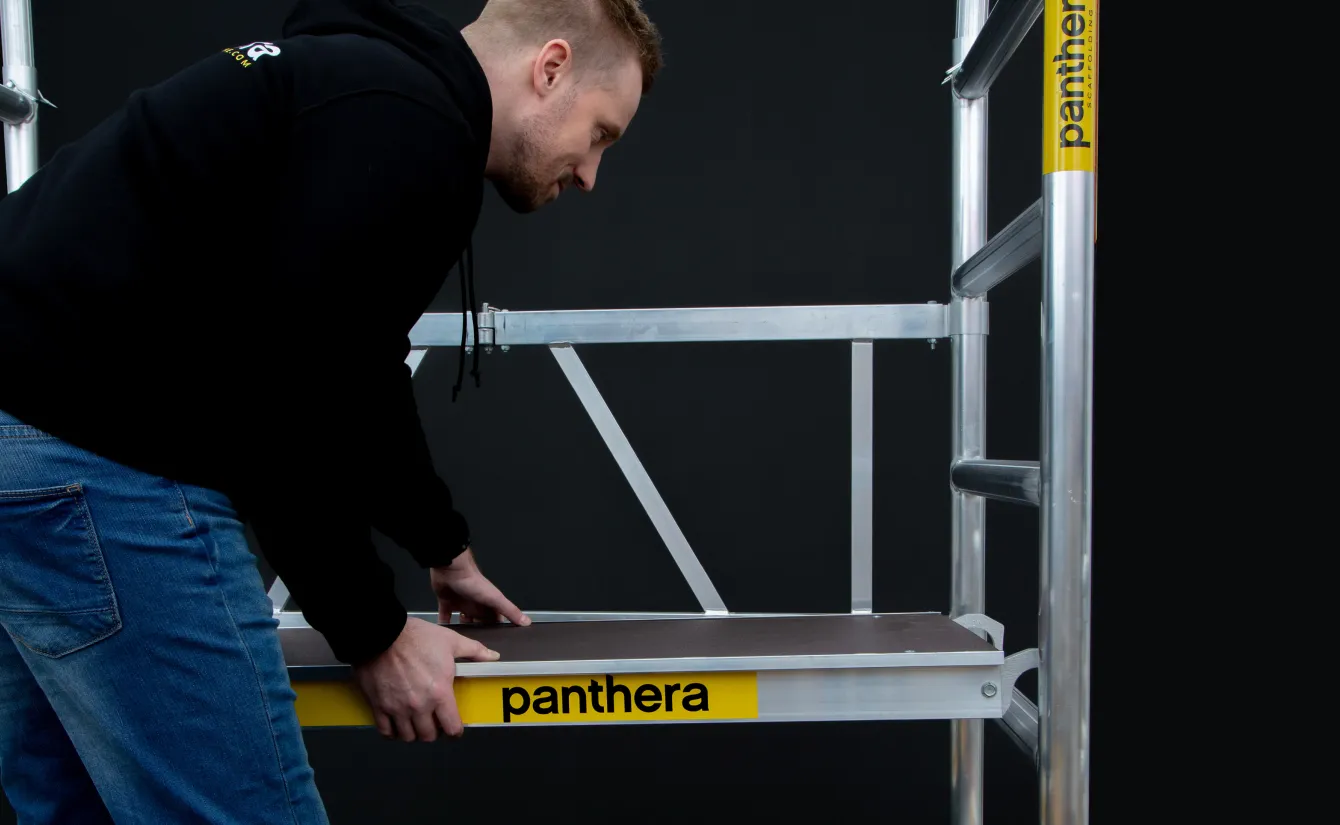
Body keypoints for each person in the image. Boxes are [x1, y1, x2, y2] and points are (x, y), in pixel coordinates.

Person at [0, 0, 663, 821]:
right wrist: (374, 631)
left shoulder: (359, 91)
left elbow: (355, 367)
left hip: (28, 448)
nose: (590, 173)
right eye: (600, 134)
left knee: (76, 810)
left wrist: (440, 543)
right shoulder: (406, 125)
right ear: (551, 67)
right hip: (92, 453)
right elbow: (284, 398)